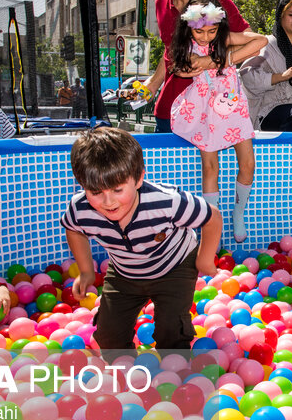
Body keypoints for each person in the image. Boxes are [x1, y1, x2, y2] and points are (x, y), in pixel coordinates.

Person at [61, 127, 222, 350]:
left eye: (117, 189)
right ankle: (129, 378)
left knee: (172, 333)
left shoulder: (167, 202)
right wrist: (86, 270)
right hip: (124, 273)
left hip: (174, 267)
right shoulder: (81, 209)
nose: (108, 202)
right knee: (109, 340)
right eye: (96, 192)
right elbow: (73, 229)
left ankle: (172, 373)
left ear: (138, 179)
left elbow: (212, 217)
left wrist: (204, 260)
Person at [169, 0, 267, 243]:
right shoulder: (187, 48)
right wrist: (206, 61)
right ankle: (213, 222)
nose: (205, 37)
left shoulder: (222, 39)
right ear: (188, 27)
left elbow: (262, 40)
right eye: (199, 31)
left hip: (234, 108)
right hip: (205, 112)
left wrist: (227, 57)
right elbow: (186, 66)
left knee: (248, 164)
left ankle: (238, 213)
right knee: (210, 168)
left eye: (212, 30)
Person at [134, 0, 250, 133]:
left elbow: (251, 43)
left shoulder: (217, 0)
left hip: (210, 115)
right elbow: (170, 51)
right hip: (167, 112)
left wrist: (211, 61)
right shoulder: (160, 3)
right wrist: (152, 84)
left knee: (211, 167)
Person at [240, 0, 292, 131]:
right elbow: (247, 76)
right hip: (271, 110)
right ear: (281, 15)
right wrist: (283, 76)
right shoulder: (267, 44)